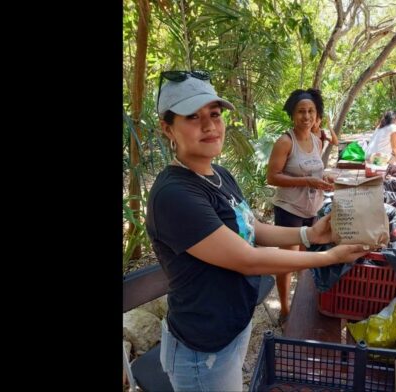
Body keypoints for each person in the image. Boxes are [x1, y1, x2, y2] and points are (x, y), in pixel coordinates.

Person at [145, 71, 369, 392]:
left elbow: (253, 229)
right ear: (168, 128)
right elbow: (247, 260)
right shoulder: (175, 195)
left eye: (215, 114)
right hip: (203, 347)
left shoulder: (219, 174)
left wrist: (310, 236)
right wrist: (330, 256)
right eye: (192, 117)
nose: (209, 125)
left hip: (234, 326)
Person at [266, 88, 335, 324]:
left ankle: (303, 306)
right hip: (289, 210)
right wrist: (306, 181)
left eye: (310, 111)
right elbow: (272, 177)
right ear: (293, 115)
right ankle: (285, 310)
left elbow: (315, 170)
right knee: (286, 262)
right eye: (301, 111)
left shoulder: (316, 141)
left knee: (305, 261)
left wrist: (326, 180)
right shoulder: (285, 142)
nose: (306, 116)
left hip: (311, 210)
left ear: (316, 115)